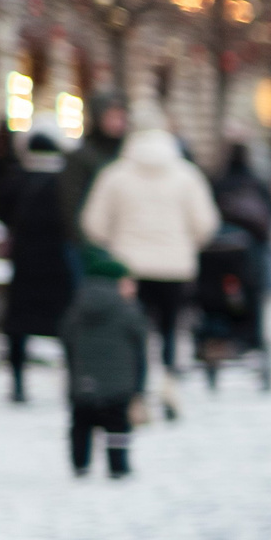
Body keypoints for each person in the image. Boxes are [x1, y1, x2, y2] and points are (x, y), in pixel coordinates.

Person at [79, 113, 219, 399]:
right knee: (170, 329)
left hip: (129, 268)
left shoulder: (115, 175)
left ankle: (137, 391)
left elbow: (93, 225)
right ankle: (169, 381)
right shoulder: (187, 175)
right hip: (175, 268)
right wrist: (187, 245)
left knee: (133, 330)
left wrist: (113, 244)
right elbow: (206, 224)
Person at [60, 246, 149, 478]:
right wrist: (139, 386)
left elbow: (66, 336)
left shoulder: (77, 306)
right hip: (119, 385)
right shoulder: (127, 310)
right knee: (117, 427)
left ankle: (80, 464)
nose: (133, 287)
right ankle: (118, 466)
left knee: (81, 424)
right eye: (129, 282)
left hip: (82, 382)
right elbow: (140, 339)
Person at [0, 128, 71, 402]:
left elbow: (3, 209)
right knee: (64, 323)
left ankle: (18, 385)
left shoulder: (18, 179)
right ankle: (72, 381)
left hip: (25, 260)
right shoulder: (64, 181)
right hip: (56, 261)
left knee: (19, 325)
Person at [58, 90, 127, 247]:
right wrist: (81, 239)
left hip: (121, 241)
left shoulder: (126, 155)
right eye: (111, 117)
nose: (117, 123)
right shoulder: (80, 157)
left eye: (121, 117)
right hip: (88, 240)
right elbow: (71, 202)